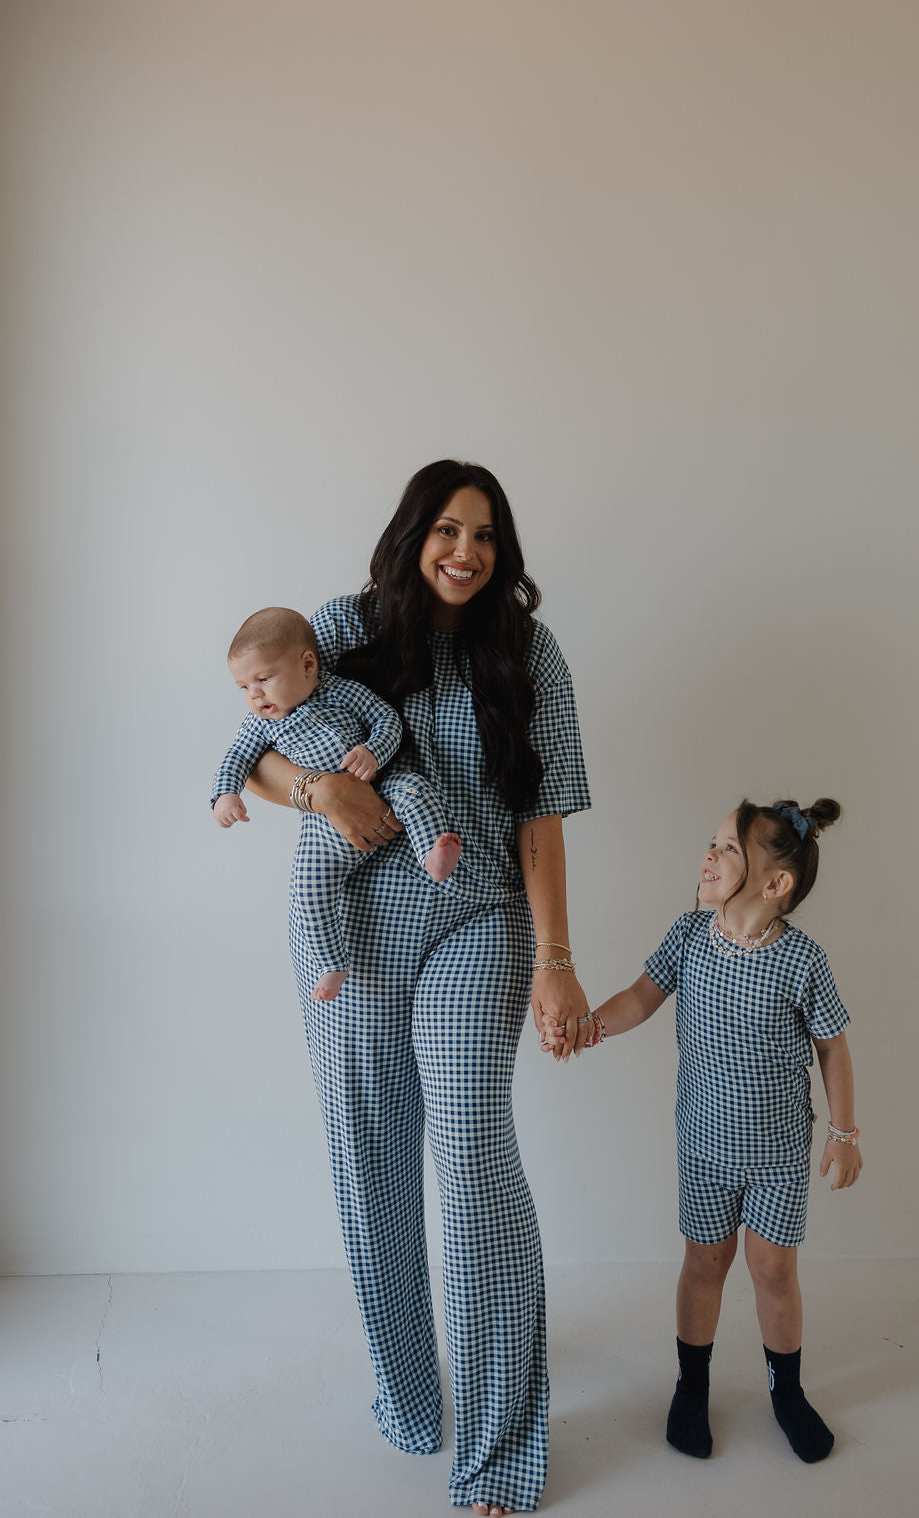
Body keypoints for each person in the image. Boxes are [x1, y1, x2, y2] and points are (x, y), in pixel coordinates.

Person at [244, 461, 591, 1516]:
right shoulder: (336, 630)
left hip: (478, 918)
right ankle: (407, 1392)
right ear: (412, 535)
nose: (465, 552)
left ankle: (498, 1451)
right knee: (370, 1157)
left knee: (472, 1151)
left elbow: (541, 816)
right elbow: (253, 752)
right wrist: (323, 791)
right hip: (353, 930)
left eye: (484, 535)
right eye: (446, 529)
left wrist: (555, 961)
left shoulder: (528, 650)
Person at [576, 798, 861, 1464]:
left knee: (773, 1270)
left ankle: (787, 1394)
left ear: (776, 882)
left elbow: (833, 1048)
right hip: (704, 1147)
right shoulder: (688, 937)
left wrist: (844, 1133)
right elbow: (641, 997)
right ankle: (692, 1388)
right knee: (705, 1263)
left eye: (730, 848)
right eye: (713, 842)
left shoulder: (802, 961)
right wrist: (591, 1026)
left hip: (779, 1155)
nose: (709, 854)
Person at [211, 606, 462, 1000]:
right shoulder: (260, 723)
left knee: (414, 789)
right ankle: (332, 963)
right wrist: (226, 794)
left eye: (263, 679)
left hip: (381, 786)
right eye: (243, 687)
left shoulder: (342, 691)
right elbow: (237, 757)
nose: (254, 695)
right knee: (307, 887)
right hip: (324, 827)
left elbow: (387, 719)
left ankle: (432, 852)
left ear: (307, 665)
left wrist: (374, 752)